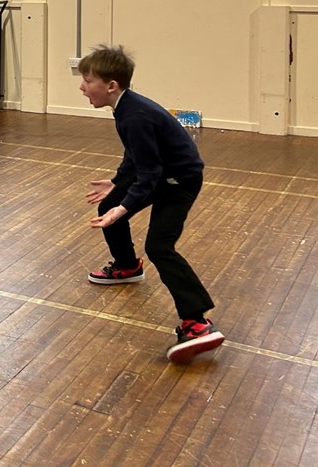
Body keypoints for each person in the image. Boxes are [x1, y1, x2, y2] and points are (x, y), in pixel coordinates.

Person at [78, 44, 224, 363]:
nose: (82, 87)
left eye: (88, 80)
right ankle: (128, 266)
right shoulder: (126, 108)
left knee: (160, 246)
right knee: (108, 206)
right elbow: (137, 154)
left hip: (179, 180)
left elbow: (150, 171)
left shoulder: (134, 116)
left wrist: (125, 206)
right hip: (162, 173)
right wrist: (117, 184)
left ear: (111, 85)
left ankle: (197, 322)